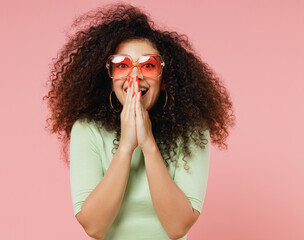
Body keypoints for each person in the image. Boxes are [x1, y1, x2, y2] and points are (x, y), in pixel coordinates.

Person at [43, 3, 235, 240]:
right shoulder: (87, 129)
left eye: (148, 66)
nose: (135, 75)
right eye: (122, 66)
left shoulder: (192, 130)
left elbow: (177, 227)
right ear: (110, 79)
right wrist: (126, 146)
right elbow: (94, 226)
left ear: (165, 79)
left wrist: (148, 143)